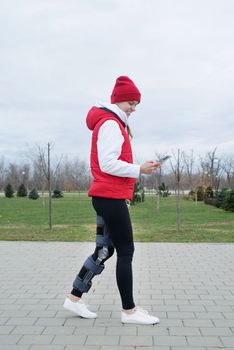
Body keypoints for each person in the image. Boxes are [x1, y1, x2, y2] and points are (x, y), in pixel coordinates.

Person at [63, 76, 160, 325]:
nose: (134, 108)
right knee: (126, 251)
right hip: (110, 197)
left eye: (136, 103)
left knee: (104, 250)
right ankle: (129, 311)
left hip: (107, 196)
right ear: (118, 100)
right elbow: (108, 163)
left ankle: (74, 299)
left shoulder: (113, 123)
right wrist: (140, 169)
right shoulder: (110, 124)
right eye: (131, 102)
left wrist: (139, 168)